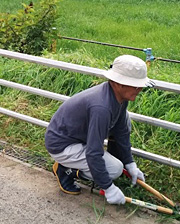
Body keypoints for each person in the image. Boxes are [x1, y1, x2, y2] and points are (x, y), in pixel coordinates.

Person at [45, 55, 153, 205]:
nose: (140, 89)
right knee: (114, 170)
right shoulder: (101, 107)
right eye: (135, 85)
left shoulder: (119, 98)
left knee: (125, 122)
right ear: (118, 83)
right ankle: (65, 170)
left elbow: (121, 131)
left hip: (80, 138)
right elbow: (93, 152)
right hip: (62, 145)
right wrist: (109, 188)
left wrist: (130, 163)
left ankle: (106, 168)